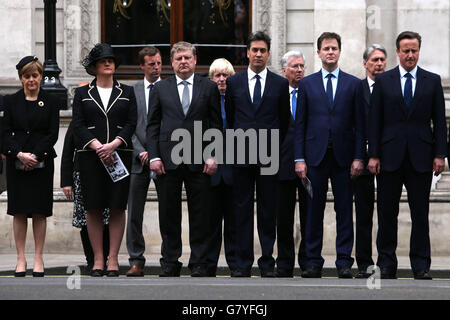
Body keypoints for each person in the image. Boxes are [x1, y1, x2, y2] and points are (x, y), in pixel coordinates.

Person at [368, 31, 447, 280]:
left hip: (421, 157)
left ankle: (421, 265)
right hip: (389, 157)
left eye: (414, 50)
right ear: (398, 52)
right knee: (387, 213)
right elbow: (375, 121)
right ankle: (387, 264)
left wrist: (440, 155)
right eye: (405, 51)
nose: (410, 55)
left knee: (420, 215)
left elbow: (440, 124)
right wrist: (374, 155)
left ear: (418, 51)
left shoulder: (432, 81)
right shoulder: (383, 81)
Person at [146, 41, 222, 277]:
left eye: (187, 58)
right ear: (172, 62)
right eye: (179, 59)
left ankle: (199, 262)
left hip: (199, 161)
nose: (183, 62)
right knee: (169, 215)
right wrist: (154, 156)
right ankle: (170, 261)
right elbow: (152, 126)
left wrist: (213, 155)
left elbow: (216, 124)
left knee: (201, 214)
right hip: (167, 162)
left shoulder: (208, 87)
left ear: (195, 60)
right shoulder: (161, 88)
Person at [294, 32, 365, 279]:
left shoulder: (354, 84)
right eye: (326, 48)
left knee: (345, 211)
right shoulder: (307, 84)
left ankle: (344, 262)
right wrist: (299, 159)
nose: (330, 52)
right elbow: (299, 125)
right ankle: (313, 262)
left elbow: (360, 126)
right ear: (319, 52)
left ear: (340, 51)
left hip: (345, 160)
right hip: (314, 159)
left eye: (334, 48)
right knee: (313, 211)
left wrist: (359, 157)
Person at [225, 31, 291, 277]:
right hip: (242, 154)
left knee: (267, 211)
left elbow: (284, 122)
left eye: (263, 50)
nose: (259, 54)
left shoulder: (280, 84)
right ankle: (242, 264)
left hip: (269, 155)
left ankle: (266, 262)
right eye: (255, 50)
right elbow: (231, 120)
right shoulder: (234, 83)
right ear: (247, 52)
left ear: (268, 54)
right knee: (241, 210)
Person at [72, 43, 137, 277]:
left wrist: (115, 144)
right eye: (102, 60)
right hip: (91, 156)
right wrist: (98, 145)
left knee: (118, 207)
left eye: (110, 60)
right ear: (95, 67)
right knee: (93, 207)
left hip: (119, 155)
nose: (108, 63)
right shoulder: (82, 93)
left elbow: (132, 123)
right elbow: (77, 125)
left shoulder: (127, 92)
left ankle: (113, 259)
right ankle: (98, 258)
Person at [3, 56, 60, 277]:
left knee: (39, 211)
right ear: (21, 78)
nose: (31, 80)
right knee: (18, 211)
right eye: (26, 76)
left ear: (40, 76)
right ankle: (20, 258)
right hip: (16, 161)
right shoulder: (9, 101)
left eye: (35, 75)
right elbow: (4, 132)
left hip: (42, 162)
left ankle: (38, 257)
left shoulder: (51, 101)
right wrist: (19, 154)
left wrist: (34, 155)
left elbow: (52, 134)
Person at [60, 83, 110, 273]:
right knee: (85, 221)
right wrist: (66, 182)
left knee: (106, 220)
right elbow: (67, 153)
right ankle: (92, 260)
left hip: (106, 174)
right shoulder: (76, 123)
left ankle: (104, 259)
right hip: (81, 175)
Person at [125, 46, 162, 277]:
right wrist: (140, 152)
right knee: (134, 214)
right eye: (151, 64)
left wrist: (157, 153)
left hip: (162, 160)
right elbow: (127, 126)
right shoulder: (132, 91)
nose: (156, 67)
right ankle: (136, 260)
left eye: (159, 63)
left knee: (168, 212)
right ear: (142, 66)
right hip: (138, 161)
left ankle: (169, 258)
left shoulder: (168, 88)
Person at [353, 44, 387, 279]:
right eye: (374, 60)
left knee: (386, 213)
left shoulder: (392, 88)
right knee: (363, 214)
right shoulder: (357, 88)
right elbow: (353, 123)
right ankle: (364, 263)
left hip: (388, 160)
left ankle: (386, 262)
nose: (379, 64)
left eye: (382, 60)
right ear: (365, 63)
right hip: (362, 161)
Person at [277, 50, 307, 277]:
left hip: (309, 165)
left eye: (302, 66)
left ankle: (308, 262)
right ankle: (285, 263)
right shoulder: (277, 93)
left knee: (309, 216)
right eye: (294, 66)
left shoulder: (311, 92)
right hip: (282, 165)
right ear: (284, 70)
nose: (299, 70)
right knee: (284, 218)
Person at [206, 58, 237, 276]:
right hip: (212, 166)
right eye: (217, 75)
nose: (222, 79)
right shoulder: (205, 100)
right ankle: (208, 263)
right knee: (210, 219)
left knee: (235, 218)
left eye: (226, 75)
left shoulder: (237, 99)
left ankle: (236, 263)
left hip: (234, 165)